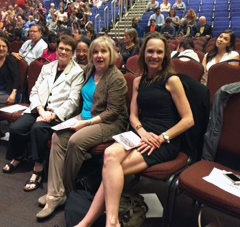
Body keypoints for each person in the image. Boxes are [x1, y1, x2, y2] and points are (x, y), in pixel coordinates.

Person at [74, 32, 194, 227]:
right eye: (150, 51)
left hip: (163, 140)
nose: (154, 56)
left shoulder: (172, 80)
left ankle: (96, 222)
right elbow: (133, 116)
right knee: (110, 154)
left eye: (159, 52)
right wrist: (142, 132)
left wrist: (161, 138)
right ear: (143, 53)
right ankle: (108, 222)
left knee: (112, 169)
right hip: (141, 134)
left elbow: (188, 120)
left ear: (165, 55)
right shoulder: (138, 81)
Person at [36, 36, 129, 219]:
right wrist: (75, 119)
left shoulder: (117, 78)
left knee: (75, 141)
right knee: (57, 137)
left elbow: (112, 112)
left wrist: (84, 123)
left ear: (111, 54)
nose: (99, 55)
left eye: (103, 51)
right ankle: (55, 194)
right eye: (95, 52)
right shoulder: (89, 70)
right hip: (84, 117)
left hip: (109, 123)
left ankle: (69, 193)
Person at [3, 35, 84, 192]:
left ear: (72, 53)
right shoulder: (47, 67)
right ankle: (19, 156)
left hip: (58, 114)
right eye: (61, 48)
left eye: (67, 50)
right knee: (16, 128)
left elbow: (73, 101)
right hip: (38, 108)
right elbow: (34, 91)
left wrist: (52, 115)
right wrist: (40, 109)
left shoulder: (77, 72)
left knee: (37, 129)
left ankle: (38, 168)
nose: (63, 52)